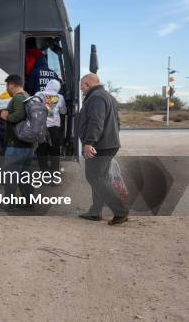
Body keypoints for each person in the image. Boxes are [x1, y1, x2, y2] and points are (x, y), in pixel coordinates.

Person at [78, 73, 128, 226]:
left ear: (88, 84)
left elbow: (96, 122)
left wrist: (89, 142)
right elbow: (117, 123)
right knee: (99, 177)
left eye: (82, 87)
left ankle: (120, 212)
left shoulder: (96, 97)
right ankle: (95, 212)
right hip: (107, 144)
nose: (82, 90)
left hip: (99, 146)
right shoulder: (108, 96)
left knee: (94, 177)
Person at [0, 74, 35, 211]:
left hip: (16, 144)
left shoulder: (18, 98)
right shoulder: (27, 96)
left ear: (11, 85)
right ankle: (28, 202)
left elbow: (19, 114)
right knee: (24, 175)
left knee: (10, 175)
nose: (7, 88)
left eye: (7, 85)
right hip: (28, 145)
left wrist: (6, 117)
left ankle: (8, 203)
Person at [35, 79, 66, 175]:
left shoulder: (38, 94)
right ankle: (55, 174)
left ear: (48, 85)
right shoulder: (60, 97)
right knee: (55, 152)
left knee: (41, 151)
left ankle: (45, 175)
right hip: (54, 129)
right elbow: (63, 111)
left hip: (40, 127)